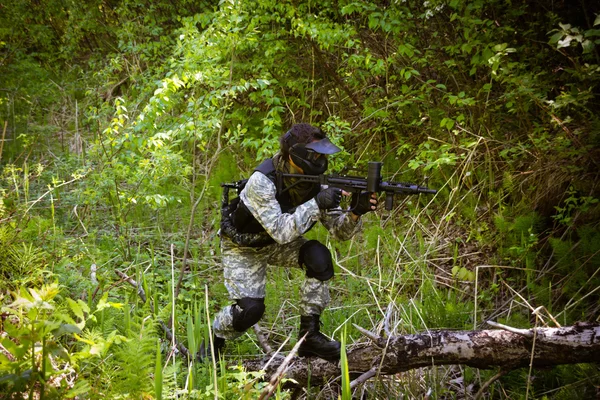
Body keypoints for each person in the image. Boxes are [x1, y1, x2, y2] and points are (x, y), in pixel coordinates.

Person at [210, 123, 377, 362]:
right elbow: (281, 231)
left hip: (276, 244)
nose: (320, 160)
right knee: (250, 311)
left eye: (322, 155)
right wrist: (316, 203)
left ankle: (309, 338)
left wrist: (355, 212)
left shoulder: (318, 182)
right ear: (296, 154)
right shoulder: (262, 181)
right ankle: (215, 337)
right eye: (316, 155)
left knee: (318, 257)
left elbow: (339, 233)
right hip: (243, 246)